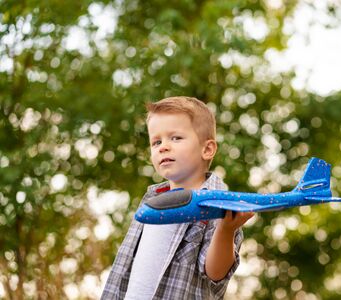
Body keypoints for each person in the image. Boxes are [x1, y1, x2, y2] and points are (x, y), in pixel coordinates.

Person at [101, 96, 254, 299]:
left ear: (207, 149)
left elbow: (215, 275)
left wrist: (226, 229)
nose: (163, 146)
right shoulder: (152, 200)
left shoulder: (217, 204)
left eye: (175, 138)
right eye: (156, 142)